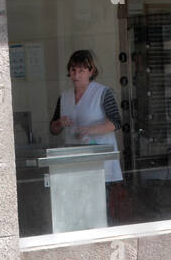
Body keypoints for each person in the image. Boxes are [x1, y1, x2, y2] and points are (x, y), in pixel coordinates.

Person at [50, 49, 124, 219]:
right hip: (74, 161)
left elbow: (116, 122)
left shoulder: (102, 93)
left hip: (100, 162)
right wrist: (60, 123)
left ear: (91, 72)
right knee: (77, 212)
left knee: (99, 212)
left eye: (82, 70)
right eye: (73, 70)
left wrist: (90, 130)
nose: (77, 75)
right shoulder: (64, 97)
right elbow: (53, 129)